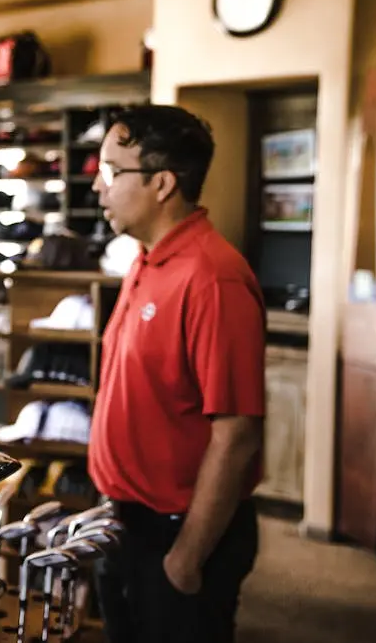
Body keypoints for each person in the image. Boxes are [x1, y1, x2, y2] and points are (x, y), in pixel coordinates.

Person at [87, 105, 265, 643]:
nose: (99, 186)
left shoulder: (213, 278)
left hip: (177, 534)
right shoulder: (146, 259)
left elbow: (236, 435)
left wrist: (186, 558)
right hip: (126, 520)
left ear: (162, 183)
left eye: (112, 171)